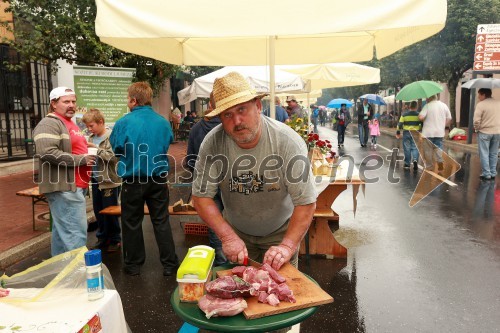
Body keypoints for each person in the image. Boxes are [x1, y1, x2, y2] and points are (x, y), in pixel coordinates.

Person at [191, 72, 317, 271]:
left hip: (280, 233)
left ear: (258, 106)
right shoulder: (212, 143)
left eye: (242, 109)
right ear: (220, 118)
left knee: (281, 294)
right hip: (236, 233)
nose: (237, 121)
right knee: (241, 296)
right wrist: (227, 236)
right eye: (227, 114)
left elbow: (305, 201)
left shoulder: (287, 142)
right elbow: (201, 197)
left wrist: (287, 246)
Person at [110, 82, 179, 276]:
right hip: (158, 178)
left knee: (131, 222)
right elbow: (166, 144)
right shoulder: (163, 121)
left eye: (128, 99)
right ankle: (170, 264)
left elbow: (116, 148)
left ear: (133, 100)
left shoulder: (124, 122)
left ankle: (133, 265)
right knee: (161, 220)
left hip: (133, 179)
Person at [33, 87, 96, 256]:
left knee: (63, 237)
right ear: (53, 104)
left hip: (75, 186)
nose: (71, 105)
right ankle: (77, 278)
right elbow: (47, 152)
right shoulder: (49, 123)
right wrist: (80, 159)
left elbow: (68, 146)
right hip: (65, 187)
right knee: (75, 235)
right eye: (66, 101)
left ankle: (61, 275)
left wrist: (85, 147)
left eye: (73, 101)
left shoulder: (68, 122)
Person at [186, 92, 228, 266]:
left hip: (206, 184)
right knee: (236, 221)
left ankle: (221, 264)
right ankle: (239, 264)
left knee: (214, 223)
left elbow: (190, 160)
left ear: (209, 105)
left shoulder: (196, 128)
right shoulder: (231, 126)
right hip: (231, 182)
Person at [82, 109, 122, 253]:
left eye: (91, 126)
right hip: (96, 179)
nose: (89, 129)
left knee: (110, 211)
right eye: (87, 126)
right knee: (98, 210)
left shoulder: (112, 136)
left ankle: (115, 238)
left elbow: (114, 158)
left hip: (109, 180)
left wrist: (97, 149)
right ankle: (102, 237)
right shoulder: (91, 138)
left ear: (100, 122)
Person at [418, 94, 452, 171]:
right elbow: (449, 118)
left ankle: (429, 166)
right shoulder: (444, 105)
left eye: (427, 98)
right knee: (438, 147)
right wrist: (443, 125)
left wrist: (420, 116)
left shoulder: (427, 106)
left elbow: (421, 117)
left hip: (428, 132)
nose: (426, 99)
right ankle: (440, 161)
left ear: (430, 98)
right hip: (440, 132)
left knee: (428, 150)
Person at [473, 88, 500, 180]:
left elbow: (476, 120)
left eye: (479, 95)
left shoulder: (481, 105)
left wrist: (477, 129)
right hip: (497, 132)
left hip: (484, 132)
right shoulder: (498, 103)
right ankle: (493, 173)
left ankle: (486, 173)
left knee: (484, 153)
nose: (478, 97)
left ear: (484, 95)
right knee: (494, 153)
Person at [396, 100, 422, 170]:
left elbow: (400, 124)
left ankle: (407, 164)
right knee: (415, 147)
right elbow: (421, 124)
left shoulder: (404, 115)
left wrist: (398, 132)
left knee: (407, 148)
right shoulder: (419, 115)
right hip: (415, 132)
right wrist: (420, 130)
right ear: (416, 107)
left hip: (407, 132)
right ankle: (415, 159)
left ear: (410, 106)